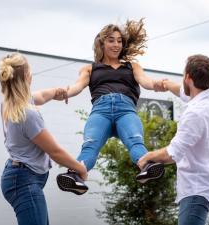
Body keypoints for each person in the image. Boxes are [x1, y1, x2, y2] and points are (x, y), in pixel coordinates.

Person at [56, 19, 166, 194]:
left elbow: (145, 81)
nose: (116, 45)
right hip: (101, 110)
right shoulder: (90, 69)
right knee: (90, 145)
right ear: (102, 43)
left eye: (119, 41)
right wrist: (66, 92)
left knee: (135, 141)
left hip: (126, 110)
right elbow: (78, 86)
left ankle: (146, 167)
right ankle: (75, 176)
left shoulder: (132, 66)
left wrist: (156, 84)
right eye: (111, 40)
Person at [0, 53, 88, 225]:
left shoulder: (9, 103)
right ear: (27, 76)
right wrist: (80, 168)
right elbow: (55, 152)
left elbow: (41, 96)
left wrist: (56, 91)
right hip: (24, 181)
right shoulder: (28, 114)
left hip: (19, 177)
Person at [138, 54, 209, 225]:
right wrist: (168, 85)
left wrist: (148, 156)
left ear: (188, 78)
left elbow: (172, 153)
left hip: (196, 188)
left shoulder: (194, 114)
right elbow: (187, 94)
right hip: (206, 183)